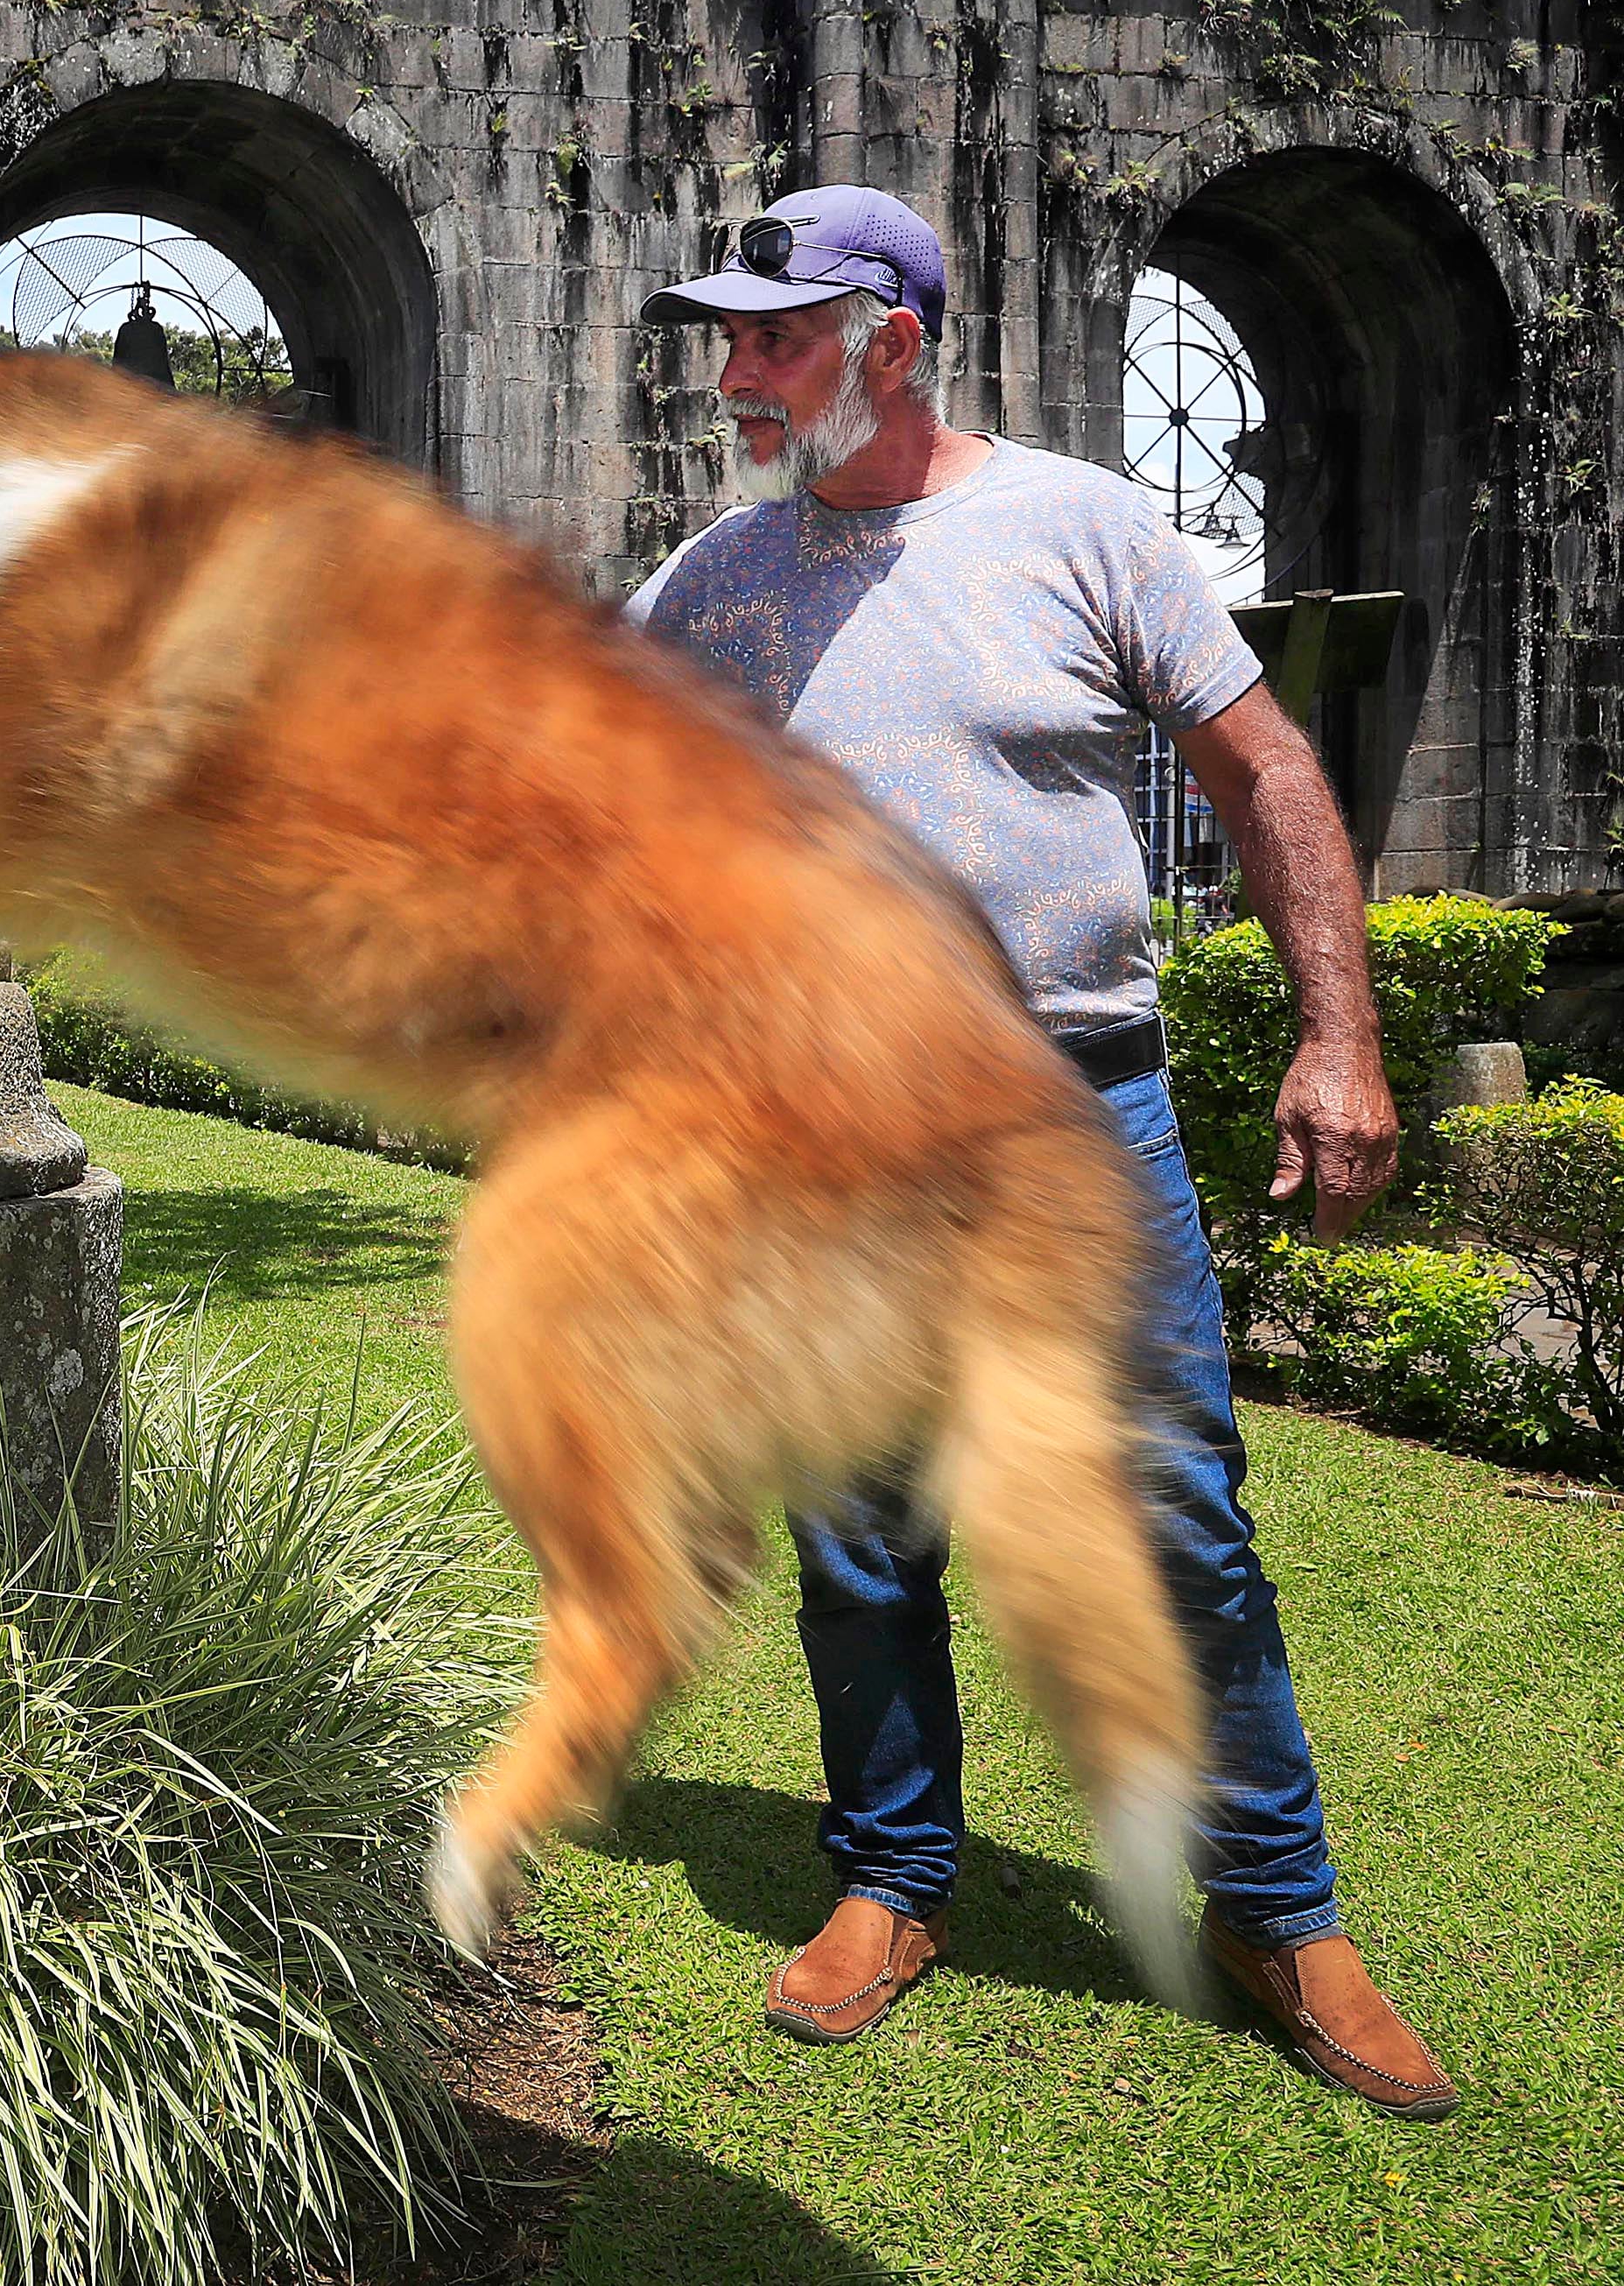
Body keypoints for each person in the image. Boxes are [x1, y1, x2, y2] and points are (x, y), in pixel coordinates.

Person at [622, 185, 1457, 2119]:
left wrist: (1336, 1036)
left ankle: (1275, 1906)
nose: (732, 375)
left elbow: (1262, 768)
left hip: (1075, 1107)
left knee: (1170, 1519)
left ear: (886, 341)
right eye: (724, 340)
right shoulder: (710, 585)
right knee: (858, 1527)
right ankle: (890, 1876)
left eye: (769, 338)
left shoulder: (1078, 524)